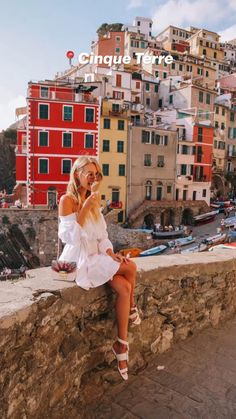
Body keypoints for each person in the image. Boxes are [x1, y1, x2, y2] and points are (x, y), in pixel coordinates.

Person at [58, 156, 140, 381]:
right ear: (77, 174)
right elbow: (70, 239)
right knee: (130, 268)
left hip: (98, 258)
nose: (93, 178)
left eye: (97, 174)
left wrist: (110, 253)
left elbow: (102, 236)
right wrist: (85, 207)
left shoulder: (93, 202)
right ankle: (132, 309)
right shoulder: (67, 200)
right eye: (89, 174)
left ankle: (121, 346)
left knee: (124, 286)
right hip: (82, 260)